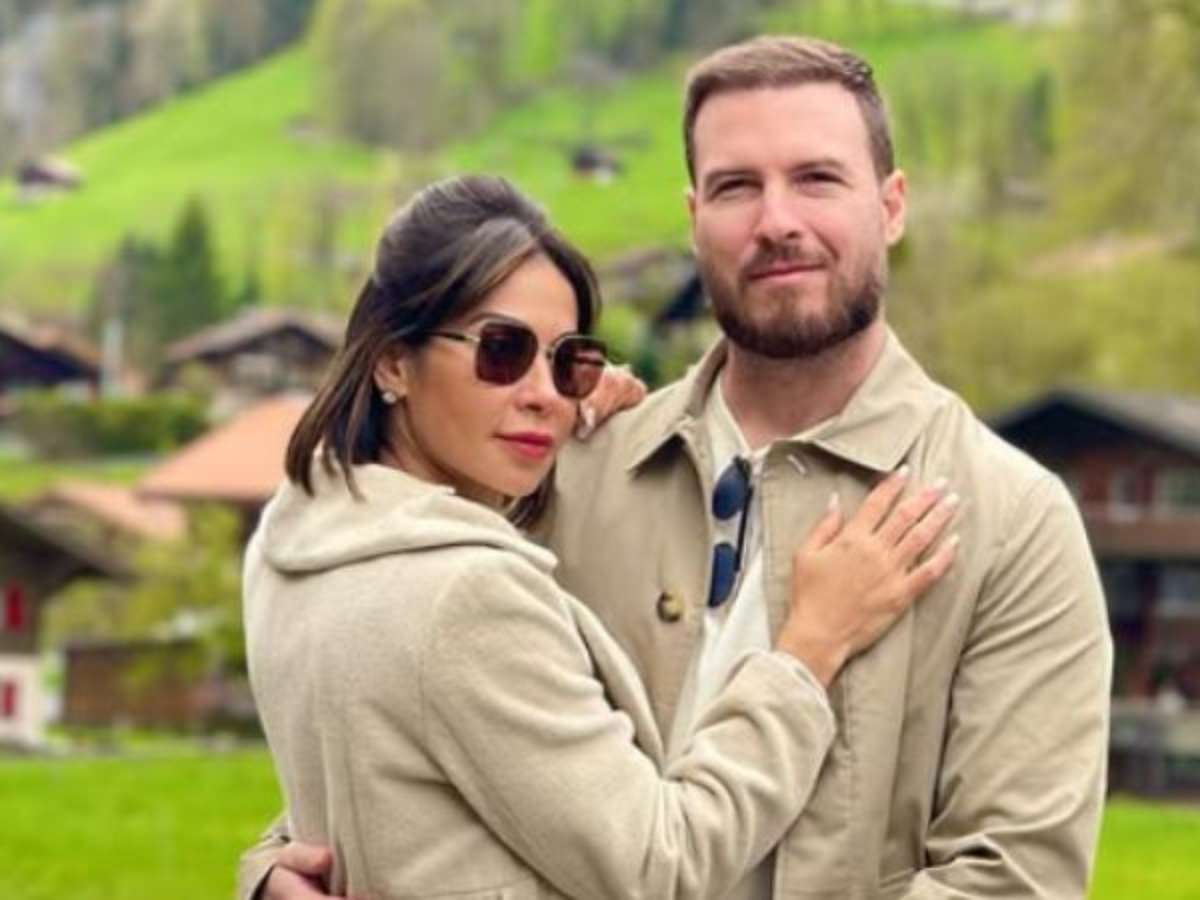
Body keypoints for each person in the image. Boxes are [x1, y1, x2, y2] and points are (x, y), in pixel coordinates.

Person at [249, 34, 1112, 900]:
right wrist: (276, 870)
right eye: (738, 187)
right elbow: (416, 735)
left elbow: (1015, 880)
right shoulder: (563, 470)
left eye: (817, 178)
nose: (777, 221)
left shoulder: (1011, 520)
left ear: (891, 207)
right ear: (695, 216)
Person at [241, 173, 956, 900]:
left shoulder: (295, 537)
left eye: (569, 362)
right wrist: (810, 649)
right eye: (501, 351)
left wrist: (264, 874)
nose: (543, 395)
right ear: (394, 361)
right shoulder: (465, 596)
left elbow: (380, 768)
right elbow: (661, 867)